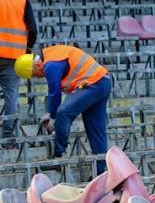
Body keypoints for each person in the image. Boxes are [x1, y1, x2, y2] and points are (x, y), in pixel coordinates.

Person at [14, 45, 111, 174]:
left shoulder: (50, 65)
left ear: (36, 66)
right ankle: (100, 171)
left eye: (34, 75)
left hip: (93, 84)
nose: (38, 77)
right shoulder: (51, 57)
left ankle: (59, 156)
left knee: (63, 113)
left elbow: (54, 93)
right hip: (103, 81)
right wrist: (52, 114)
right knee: (95, 128)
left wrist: (53, 116)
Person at [0, 0, 37, 144]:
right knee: (11, 95)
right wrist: (27, 50)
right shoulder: (22, 0)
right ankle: (8, 136)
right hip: (14, 57)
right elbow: (33, 29)